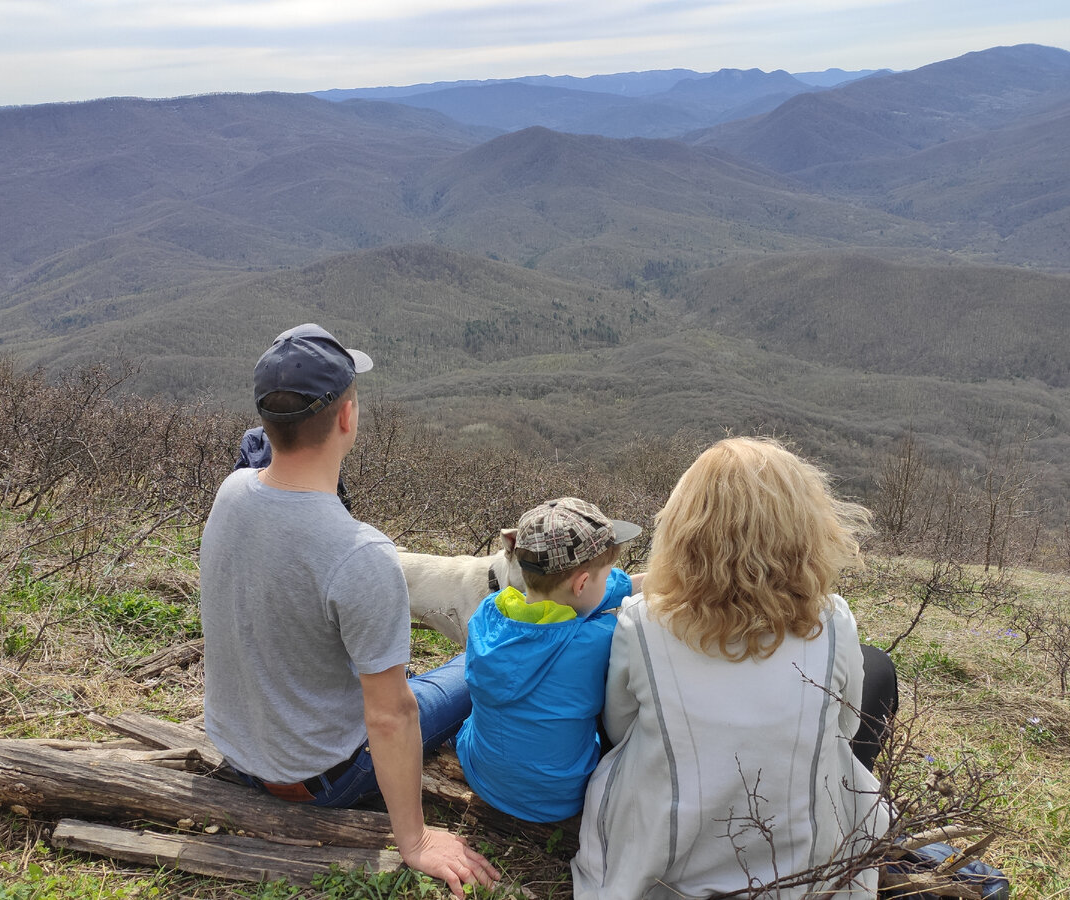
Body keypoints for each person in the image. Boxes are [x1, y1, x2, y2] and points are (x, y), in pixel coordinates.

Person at [199, 323, 498, 896]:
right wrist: (413, 842)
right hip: (320, 779)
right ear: (346, 417)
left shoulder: (231, 492)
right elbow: (390, 717)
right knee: (470, 664)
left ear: (266, 422)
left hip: (236, 750)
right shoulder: (360, 554)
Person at [572, 437, 892, 899]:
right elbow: (845, 725)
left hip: (666, 861)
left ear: (684, 528)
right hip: (799, 868)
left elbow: (621, 729)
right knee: (878, 667)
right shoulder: (834, 618)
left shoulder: (643, 619)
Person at [456, 497, 642, 823]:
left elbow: (582, 595)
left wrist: (609, 583)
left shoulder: (488, 613)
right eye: (606, 574)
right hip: (558, 799)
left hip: (482, 775)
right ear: (582, 583)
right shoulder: (600, 637)